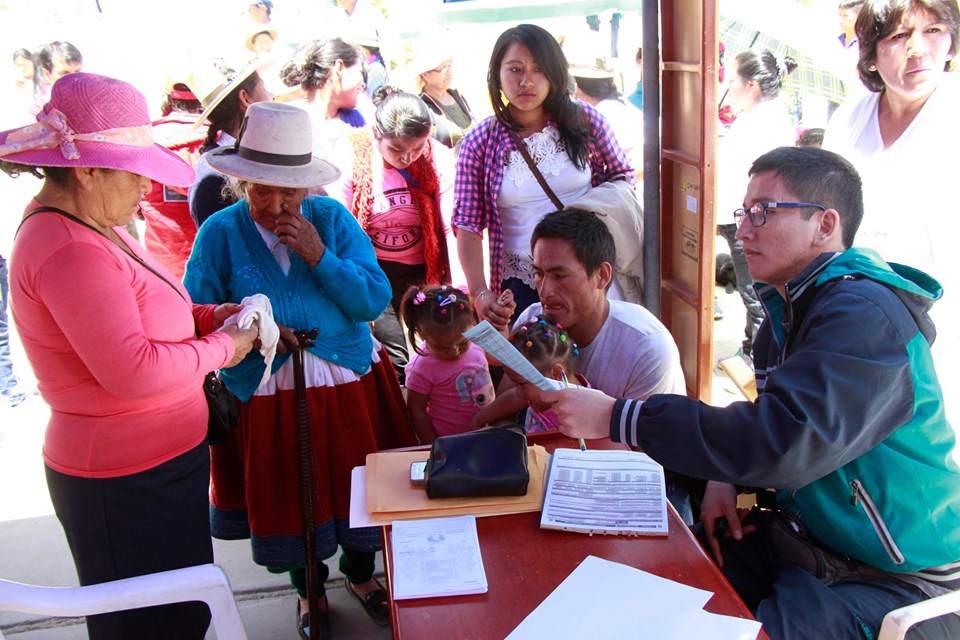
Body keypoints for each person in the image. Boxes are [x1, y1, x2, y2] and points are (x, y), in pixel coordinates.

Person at [543, 147, 960, 640]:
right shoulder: (785, 316)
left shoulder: (865, 319)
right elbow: (768, 424)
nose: (741, 231)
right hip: (805, 543)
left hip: (893, 577)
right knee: (643, 577)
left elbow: (784, 443)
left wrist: (617, 416)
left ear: (824, 225)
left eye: (762, 212)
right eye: (743, 213)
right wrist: (726, 475)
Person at [0, 72, 258, 639]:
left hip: (156, 465)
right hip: (123, 480)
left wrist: (210, 316)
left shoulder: (95, 222)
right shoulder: (70, 248)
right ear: (88, 171)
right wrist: (226, 346)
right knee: (150, 625)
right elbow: (132, 372)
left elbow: (152, 310)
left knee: (180, 610)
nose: (145, 189)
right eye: (134, 173)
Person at [183, 101, 415, 640]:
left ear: (306, 186)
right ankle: (308, 593)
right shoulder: (219, 232)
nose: (276, 204)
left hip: (346, 381)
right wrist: (249, 325)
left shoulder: (331, 220)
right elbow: (195, 311)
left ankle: (361, 578)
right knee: (291, 494)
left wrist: (319, 256)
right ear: (242, 184)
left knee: (356, 485)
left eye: (290, 191)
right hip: (268, 390)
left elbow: (372, 298)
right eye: (263, 191)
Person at [823, 0, 959, 432]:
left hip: (942, 320)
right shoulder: (850, 117)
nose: (918, 49)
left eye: (934, 30)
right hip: (857, 314)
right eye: (900, 36)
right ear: (871, 53)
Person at [510, 208, 692, 519]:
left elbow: (644, 459)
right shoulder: (531, 321)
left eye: (559, 275)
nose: (544, 291)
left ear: (602, 276)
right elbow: (511, 402)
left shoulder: (645, 347)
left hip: (641, 480)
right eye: (538, 273)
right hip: (550, 471)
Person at [452, 23, 633, 330]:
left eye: (538, 69)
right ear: (497, 75)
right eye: (515, 69)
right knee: (536, 372)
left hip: (588, 277)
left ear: (555, 73)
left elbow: (622, 180)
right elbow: (467, 225)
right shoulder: (480, 142)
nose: (526, 81)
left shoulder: (586, 122)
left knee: (598, 367)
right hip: (523, 285)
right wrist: (481, 294)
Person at [326, 91, 455, 383]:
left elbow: (451, 226)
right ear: (376, 134)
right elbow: (340, 228)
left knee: (436, 349)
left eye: (417, 147)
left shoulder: (439, 159)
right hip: (373, 272)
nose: (408, 158)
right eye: (396, 149)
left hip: (423, 271)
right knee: (395, 359)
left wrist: (459, 288)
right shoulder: (350, 157)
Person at [716, 49, 797, 365]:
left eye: (734, 78)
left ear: (751, 85)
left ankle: (757, 357)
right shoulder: (758, 118)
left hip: (748, 221)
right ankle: (755, 350)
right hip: (740, 217)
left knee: (757, 294)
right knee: (755, 291)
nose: (729, 84)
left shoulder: (767, 124)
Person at [400, 284, 497, 444]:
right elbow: (417, 410)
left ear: (472, 324)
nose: (455, 352)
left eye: (462, 342)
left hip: (488, 433)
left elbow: (498, 362)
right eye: (442, 348)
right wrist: (434, 445)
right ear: (421, 333)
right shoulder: (422, 366)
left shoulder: (477, 340)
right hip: (451, 442)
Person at [187, 60, 274, 227]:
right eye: (264, 89)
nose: (272, 96)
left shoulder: (263, 153)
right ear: (245, 98)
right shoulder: (212, 173)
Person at [140, 77, 207, 279]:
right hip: (212, 266)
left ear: (168, 100)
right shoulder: (219, 141)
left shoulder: (144, 142)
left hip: (163, 268)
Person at [471, 313, 582, 433]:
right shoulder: (537, 394)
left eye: (522, 384)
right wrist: (479, 419)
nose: (518, 392)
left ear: (556, 374)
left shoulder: (584, 411)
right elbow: (513, 399)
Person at [279, 38, 367, 160]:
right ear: (339, 68)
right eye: (359, 71)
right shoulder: (289, 118)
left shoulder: (357, 120)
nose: (363, 84)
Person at [414, 44, 475, 151]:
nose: (449, 72)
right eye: (443, 69)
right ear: (425, 75)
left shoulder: (458, 96)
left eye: (450, 66)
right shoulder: (421, 108)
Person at [31, 41, 83, 115]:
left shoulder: (92, 103)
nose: (74, 79)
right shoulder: (37, 111)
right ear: (47, 74)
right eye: (65, 73)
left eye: (77, 72)